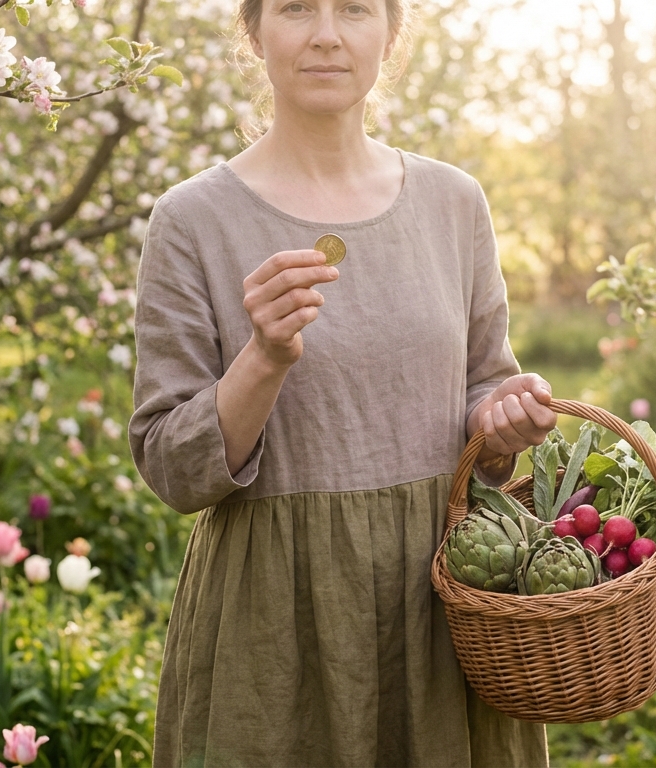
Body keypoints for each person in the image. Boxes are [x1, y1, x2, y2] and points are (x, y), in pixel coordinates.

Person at [129, 0, 556, 764]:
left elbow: (482, 391)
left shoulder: (454, 204)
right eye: (296, 7)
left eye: (354, 9)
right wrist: (262, 356)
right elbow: (171, 466)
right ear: (254, 32)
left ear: (390, 35)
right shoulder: (193, 221)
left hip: (445, 600)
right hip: (277, 621)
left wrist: (501, 424)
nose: (326, 33)